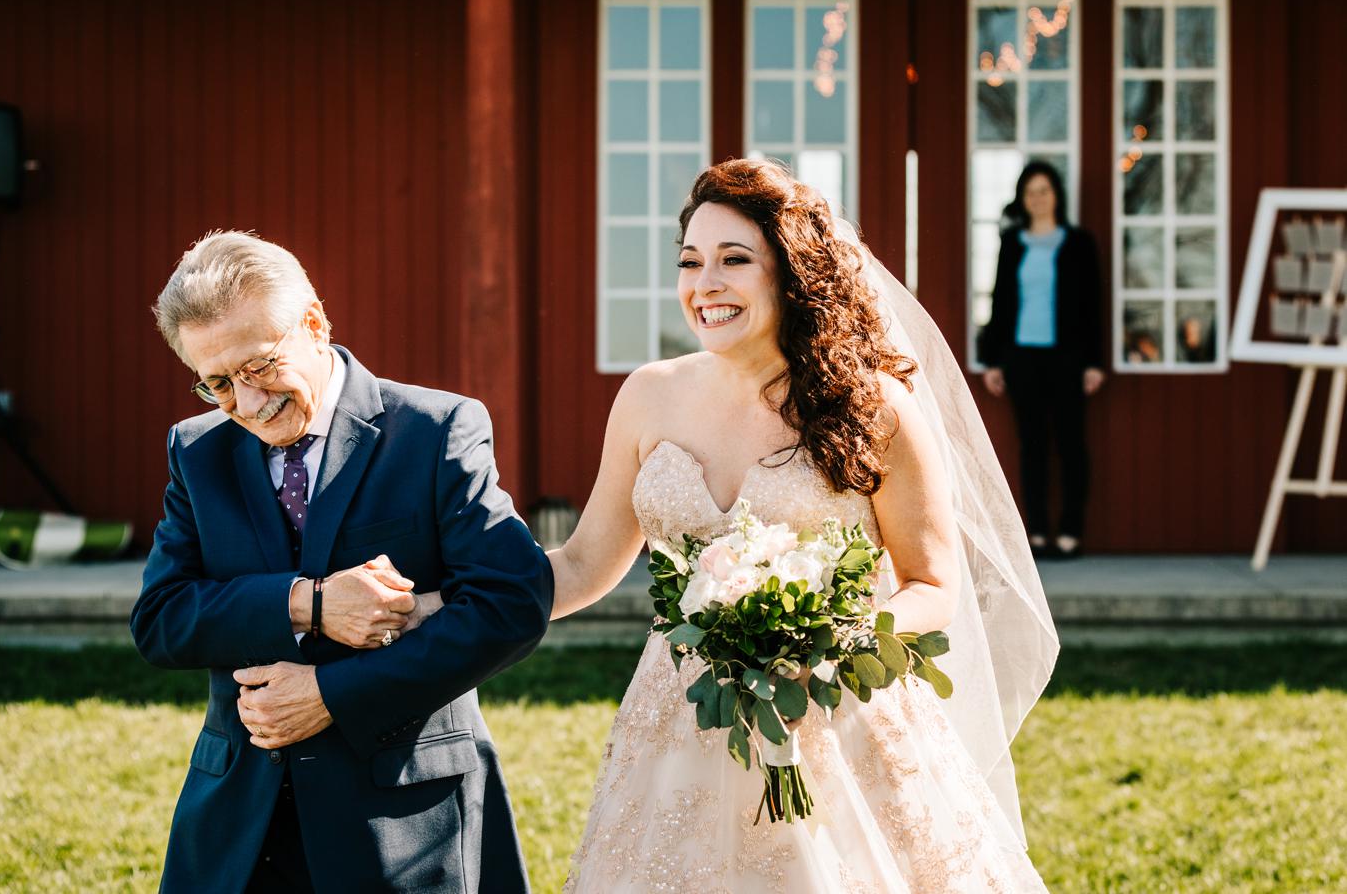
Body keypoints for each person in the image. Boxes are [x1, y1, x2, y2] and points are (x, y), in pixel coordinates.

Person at [414, 159, 1058, 890]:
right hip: (684, 719)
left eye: (733, 260)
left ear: (792, 272)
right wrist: (437, 603)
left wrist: (831, 643)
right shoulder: (649, 397)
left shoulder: (874, 407)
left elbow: (932, 582)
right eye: (690, 262)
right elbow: (584, 565)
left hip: (836, 716)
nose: (704, 284)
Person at [130, 231, 553, 894]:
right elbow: (161, 619)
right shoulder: (196, 451)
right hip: (238, 829)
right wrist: (310, 602)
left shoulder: (437, 430)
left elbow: (512, 606)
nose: (245, 403)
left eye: (259, 366)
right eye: (216, 383)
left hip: (403, 821)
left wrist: (330, 697)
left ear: (314, 324)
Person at [977, 160, 1103, 560]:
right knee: (1031, 447)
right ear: (1023, 199)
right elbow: (1000, 301)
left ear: (1056, 196)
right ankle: (1037, 534)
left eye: (1044, 191)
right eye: (1030, 192)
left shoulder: (1079, 242)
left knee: (1070, 445)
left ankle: (1070, 530)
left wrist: (1094, 362)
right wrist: (993, 359)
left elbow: (1092, 306)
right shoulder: (1013, 243)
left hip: (1067, 358)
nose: (1038, 198)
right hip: (1021, 358)